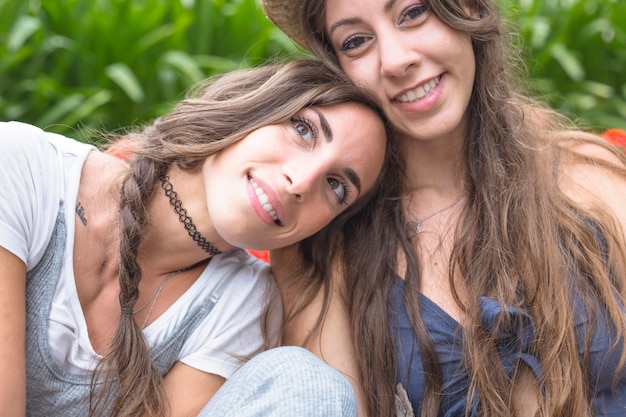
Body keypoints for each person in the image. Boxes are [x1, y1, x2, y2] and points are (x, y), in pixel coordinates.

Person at [262, 1, 626, 416]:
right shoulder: (328, 249)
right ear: (337, 67)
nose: (397, 61)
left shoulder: (590, 180)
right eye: (357, 41)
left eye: (413, 12)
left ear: (467, 8)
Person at [0, 59, 396, 417]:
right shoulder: (26, 168)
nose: (302, 182)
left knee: (308, 383)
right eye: (304, 129)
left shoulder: (241, 303)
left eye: (337, 186)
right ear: (254, 106)